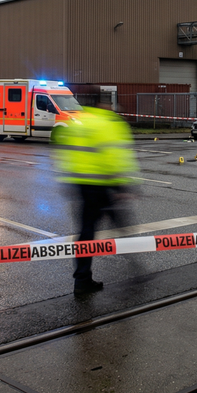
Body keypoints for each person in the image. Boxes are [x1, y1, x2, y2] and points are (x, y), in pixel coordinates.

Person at [51, 107, 139, 295]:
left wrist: (69, 181)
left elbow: (66, 152)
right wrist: (122, 186)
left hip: (82, 186)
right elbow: (115, 156)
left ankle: (82, 280)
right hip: (104, 185)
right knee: (121, 225)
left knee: (85, 233)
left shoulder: (78, 122)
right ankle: (136, 267)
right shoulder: (108, 123)